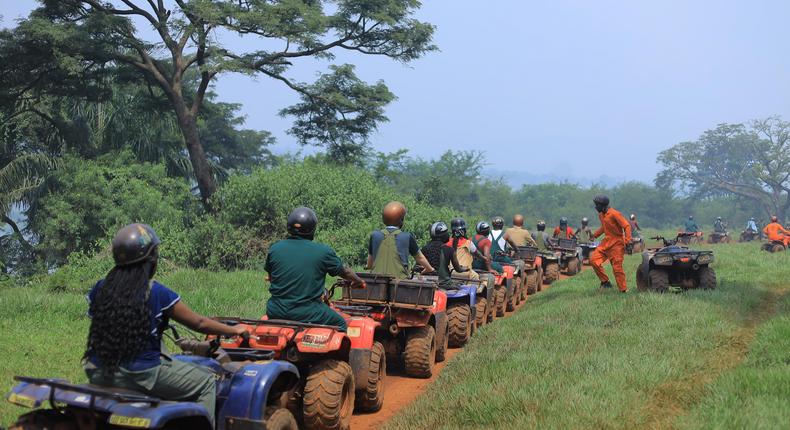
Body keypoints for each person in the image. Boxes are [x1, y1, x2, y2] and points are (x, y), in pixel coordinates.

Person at [84, 224, 247, 425]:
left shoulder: (100, 289)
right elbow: (200, 323)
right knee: (206, 382)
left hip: (98, 371)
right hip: (142, 374)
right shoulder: (156, 292)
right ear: (150, 259)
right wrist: (234, 330)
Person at [265, 207, 365, 331]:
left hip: (275, 310)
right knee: (340, 323)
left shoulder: (275, 248)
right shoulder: (323, 251)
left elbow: (271, 277)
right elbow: (344, 271)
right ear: (312, 229)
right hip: (307, 312)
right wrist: (359, 281)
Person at [367, 201, 434, 277]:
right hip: (399, 281)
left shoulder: (374, 235)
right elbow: (420, 258)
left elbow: (369, 264)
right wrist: (429, 268)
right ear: (401, 220)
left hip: (376, 281)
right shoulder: (407, 236)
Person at [589, 195, 631, 293]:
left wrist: (628, 240)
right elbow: (604, 227)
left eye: (597, 205)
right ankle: (605, 282)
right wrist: (594, 235)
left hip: (617, 244)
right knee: (594, 260)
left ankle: (623, 290)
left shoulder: (615, 214)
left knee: (617, 268)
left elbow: (627, 226)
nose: (596, 207)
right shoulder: (601, 215)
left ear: (603, 205)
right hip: (606, 243)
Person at [422, 221, 468, 288]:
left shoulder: (424, 248)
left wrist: (456, 238)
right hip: (444, 284)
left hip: (427, 283)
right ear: (443, 235)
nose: (448, 235)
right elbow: (458, 269)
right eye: (446, 233)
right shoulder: (448, 249)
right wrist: (465, 269)